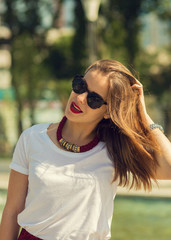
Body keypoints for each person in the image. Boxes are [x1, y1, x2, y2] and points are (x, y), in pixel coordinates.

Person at [0, 59, 171, 240]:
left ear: (108, 111)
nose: (80, 98)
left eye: (94, 99)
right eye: (80, 86)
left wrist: (143, 114)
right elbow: (12, 211)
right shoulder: (32, 138)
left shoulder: (115, 151)